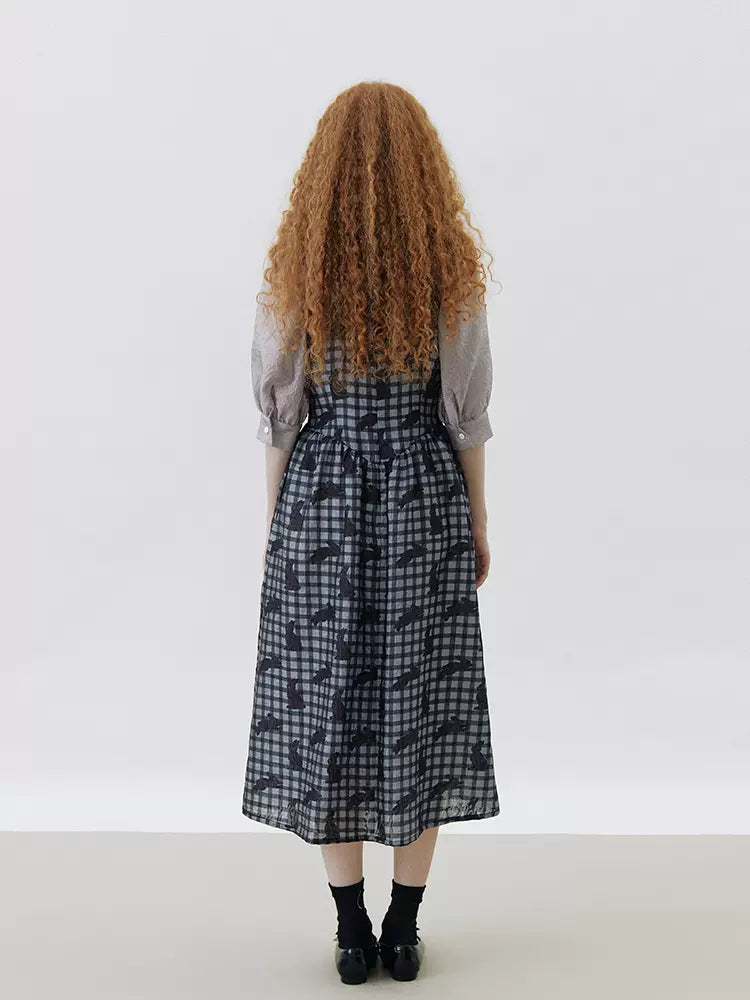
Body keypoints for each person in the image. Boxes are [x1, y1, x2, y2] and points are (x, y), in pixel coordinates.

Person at [241, 81, 501, 984]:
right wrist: (477, 519)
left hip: (324, 495)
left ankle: (350, 931)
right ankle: (402, 928)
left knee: (330, 711)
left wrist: (278, 521)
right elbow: (465, 413)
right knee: (421, 708)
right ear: (425, 170)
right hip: (422, 500)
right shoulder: (447, 270)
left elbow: (281, 413)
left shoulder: (301, 271)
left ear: (323, 172)